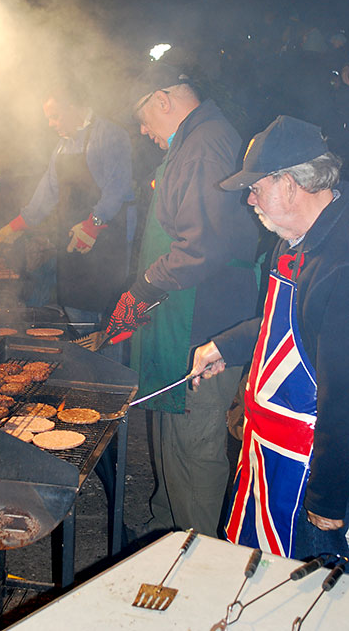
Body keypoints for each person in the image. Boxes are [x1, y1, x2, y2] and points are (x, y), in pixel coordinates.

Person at [106, 63, 259, 537]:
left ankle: (202, 554)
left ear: (162, 99)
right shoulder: (193, 142)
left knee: (195, 442)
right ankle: (169, 529)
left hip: (206, 319)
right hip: (181, 316)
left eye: (143, 118)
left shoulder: (204, 145)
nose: (143, 130)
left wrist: (143, 289)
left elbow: (202, 246)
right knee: (171, 428)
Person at [190, 115, 349, 560]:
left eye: (256, 187)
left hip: (315, 475)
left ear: (291, 184)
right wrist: (229, 346)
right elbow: (287, 327)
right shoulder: (295, 240)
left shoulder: (342, 263)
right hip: (271, 457)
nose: (249, 199)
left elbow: (345, 396)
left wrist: (329, 499)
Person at [0, 82, 135, 326]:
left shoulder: (109, 135)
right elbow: (47, 191)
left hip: (107, 242)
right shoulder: (62, 146)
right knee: (75, 310)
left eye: (55, 117)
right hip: (73, 242)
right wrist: (17, 225)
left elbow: (118, 188)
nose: (51, 124)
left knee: (108, 320)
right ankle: (87, 361)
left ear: (73, 108)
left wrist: (93, 224)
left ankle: (105, 362)